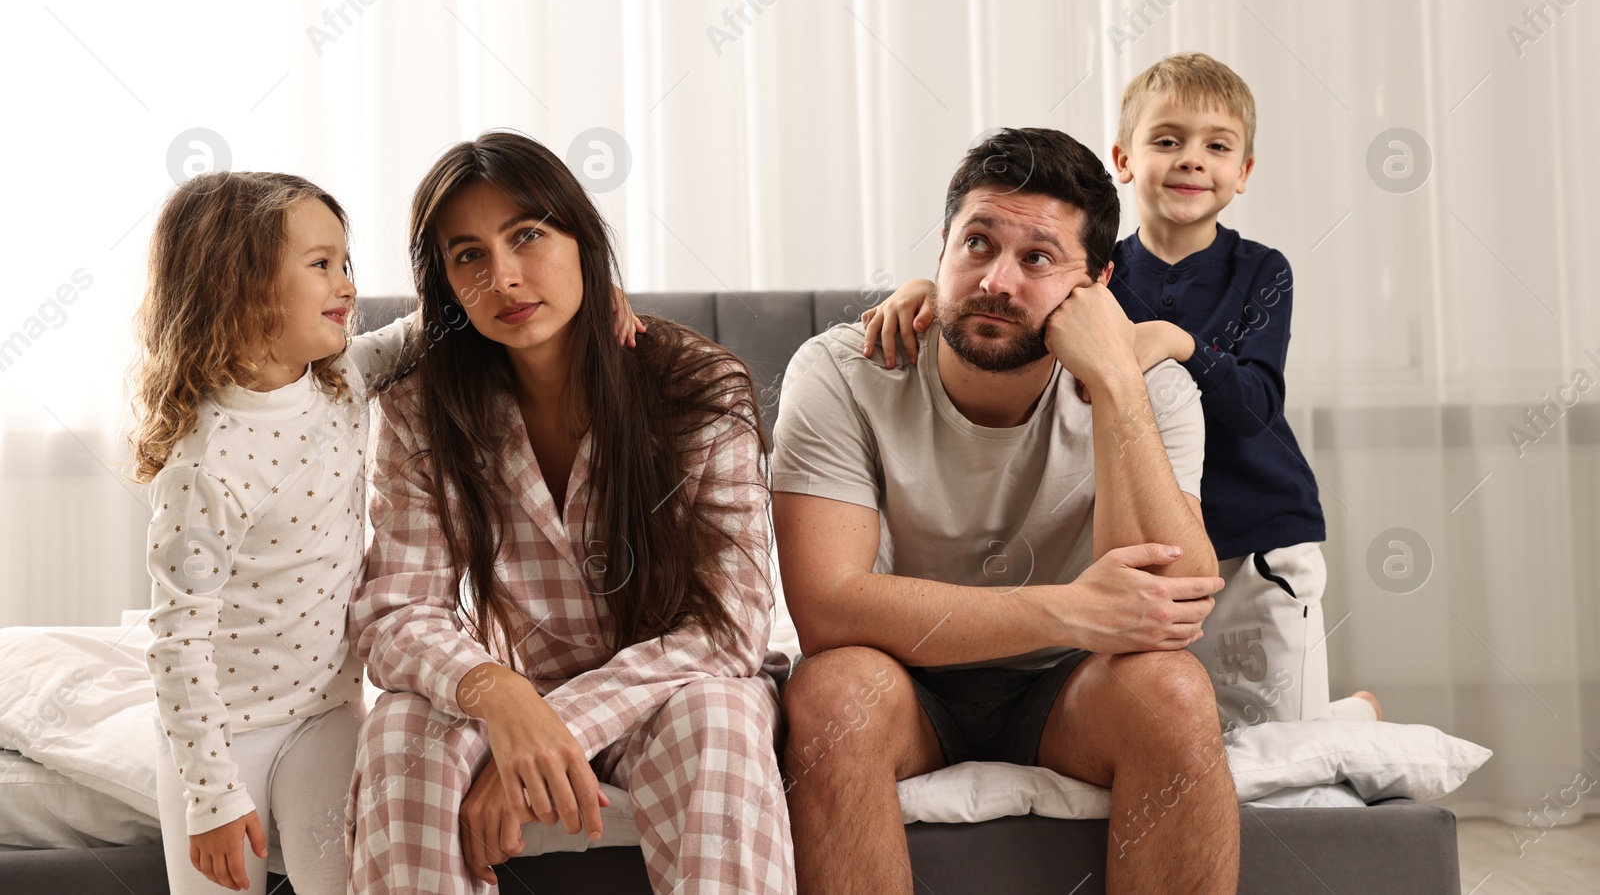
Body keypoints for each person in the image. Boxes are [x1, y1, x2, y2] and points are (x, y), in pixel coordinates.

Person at [772, 127, 1238, 895]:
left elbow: (1173, 603)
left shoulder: (1151, 386)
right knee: (831, 690)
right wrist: (1071, 611)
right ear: (943, 247)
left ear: (1096, 284)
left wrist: (1116, 384)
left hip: (1068, 693)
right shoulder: (842, 371)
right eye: (977, 243)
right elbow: (827, 607)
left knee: (1174, 690)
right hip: (907, 684)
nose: (996, 280)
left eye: (1039, 258)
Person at [866, 52, 1381, 731]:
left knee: (1273, 737)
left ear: (1244, 173)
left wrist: (1177, 340)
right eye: (1167, 140)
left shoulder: (1262, 272)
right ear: (1125, 157)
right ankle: (1344, 715)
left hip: (1256, 536)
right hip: (1151, 531)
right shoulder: (1098, 270)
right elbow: (1011, 308)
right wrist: (926, 292)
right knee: (1193, 725)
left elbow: (1256, 406)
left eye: (1217, 146)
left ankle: (1350, 721)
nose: (1192, 160)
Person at [346, 130, 794, 895]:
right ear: (446, 287)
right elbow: (395, 612)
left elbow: (730, 623)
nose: (505, 277)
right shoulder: (420, 407)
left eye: (528, 235)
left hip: (671, 691)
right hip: (512, 687)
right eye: (469, 256)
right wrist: (502, 695)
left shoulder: (699, 386)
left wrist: (557, 728)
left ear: (582, 241)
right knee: (398, 732)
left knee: (719, 721)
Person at [132, 172, 422, 894]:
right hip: (223, 736)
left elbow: (423, 334)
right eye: (321, 264)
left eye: (346, 261)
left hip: (325, 713)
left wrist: (582, 301)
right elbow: (176, 640)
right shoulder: (207, 461)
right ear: (242, 288)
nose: (348, 283)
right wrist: (211, 796)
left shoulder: (344, 378)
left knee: (354, 880)